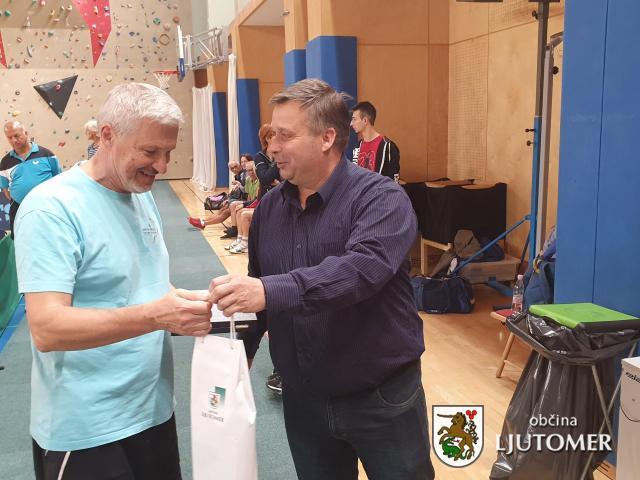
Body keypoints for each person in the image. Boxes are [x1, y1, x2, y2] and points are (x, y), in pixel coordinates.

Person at [209, 79, 435, 480]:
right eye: (271, 135)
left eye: (285, 135)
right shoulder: (269, 210)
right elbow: (261, 288)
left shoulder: (381, 198)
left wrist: (267, 291)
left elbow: (360, 270)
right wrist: (235, 358)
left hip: (380, 397)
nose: (272, 147)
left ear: (327, 138)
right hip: (303, 400)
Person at [14, 83, 213, 480]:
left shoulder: (140, 194)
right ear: (107, 136)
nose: (162, 165)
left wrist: (193, 303)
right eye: (151, 151)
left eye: (168, 152)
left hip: (153, 413)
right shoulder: (52, 208)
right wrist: (158, 315)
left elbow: (143, 289)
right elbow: (48, 328)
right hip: (86, 430)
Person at [0, 120, 61, 238]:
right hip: (19, 209)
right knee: (21, 240)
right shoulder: (5, 162)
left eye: (16, 135)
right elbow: (5, 188)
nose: (14, 140)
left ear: (26, 133)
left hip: (48, 208)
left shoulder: (47, 154)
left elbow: (58, 180)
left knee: (50, 238)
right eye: (9, 137)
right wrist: (19, 199)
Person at [187, 154, 256, 230]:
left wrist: (237, 187)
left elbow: (246, 192)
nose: (243, 164)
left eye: (245, 161)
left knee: (227, 210)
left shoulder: (247, 175)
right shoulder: (241, 175)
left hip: (245, 200)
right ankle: (202, 221)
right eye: (242, 162)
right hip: (242, 199)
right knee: (223, 209)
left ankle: (204, 223)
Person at [350, 100, 400, 180]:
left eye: (354, 119)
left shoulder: (388, 147)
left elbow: (394, 183)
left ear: (365, 120)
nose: (351, 123)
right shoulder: (358, 146)